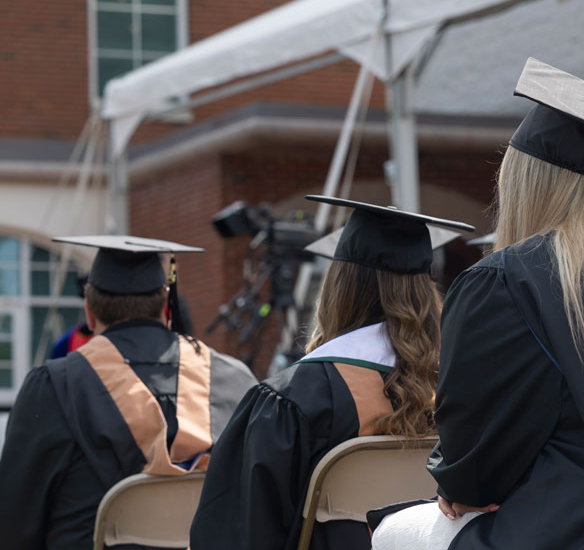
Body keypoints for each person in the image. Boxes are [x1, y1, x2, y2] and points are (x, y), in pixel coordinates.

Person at [370, 58, 584, 549]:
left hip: (556, 528)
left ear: (526, 181)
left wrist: (458, 484)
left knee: (391, 535)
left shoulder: (511, 282)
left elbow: (474, 477)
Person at [189, 195, 473, 550]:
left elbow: (239, 534)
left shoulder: (293, 398)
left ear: (340, 288)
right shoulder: (467, 388)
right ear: (425, 292)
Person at [0, 235, 257, 549]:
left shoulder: (53, 387)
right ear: (167, 305)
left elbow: (14, 514)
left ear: (89, 313)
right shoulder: (237, 382)